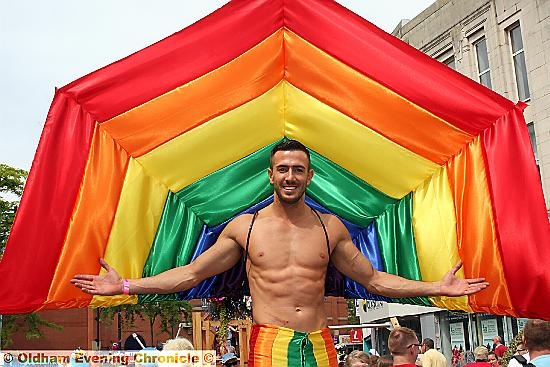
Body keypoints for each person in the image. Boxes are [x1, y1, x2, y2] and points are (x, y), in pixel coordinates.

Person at [71, 140, 489, 367]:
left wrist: (438, 287)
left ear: (310, 175)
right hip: (269, 344)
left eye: (298, 169)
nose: (290, 176)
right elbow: (190, 275)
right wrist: (124, 284)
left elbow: (376, 281)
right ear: (270, 175)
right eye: (283, 169)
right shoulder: (245, 227)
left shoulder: (330, 228)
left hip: (322, 343)